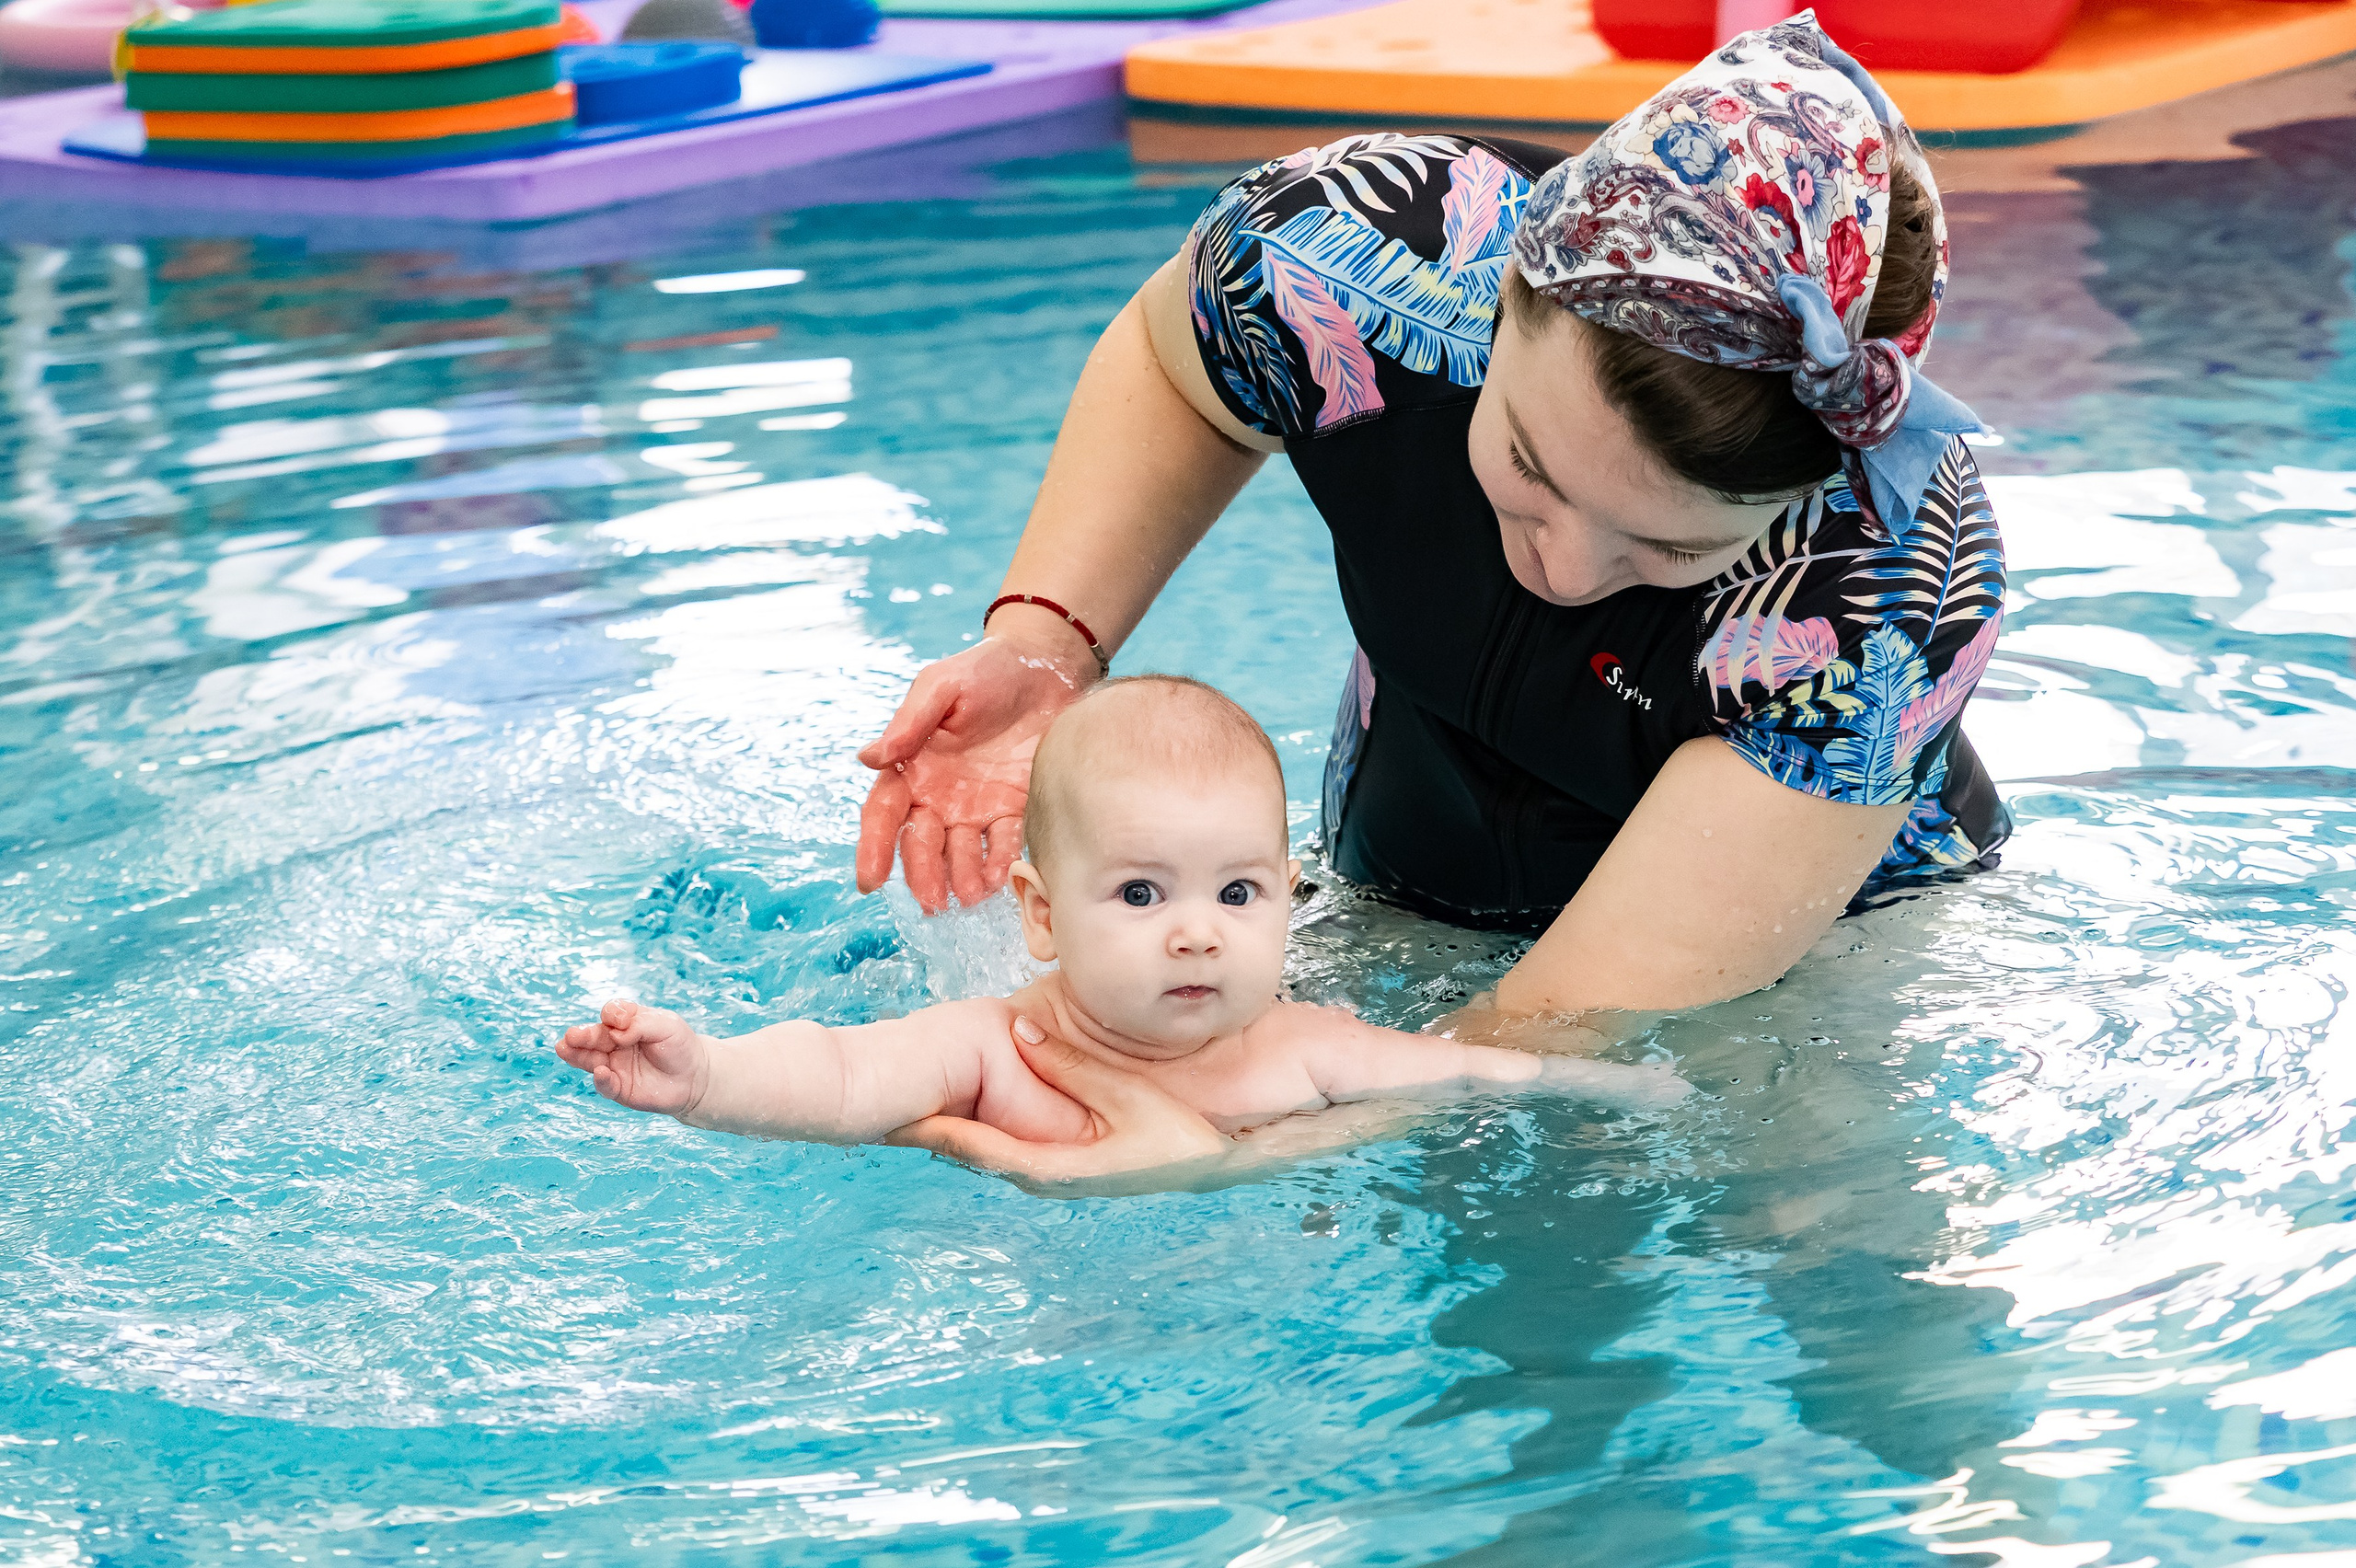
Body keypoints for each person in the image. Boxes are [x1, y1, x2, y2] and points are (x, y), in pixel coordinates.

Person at [860, 17, 2009, 1175]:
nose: (1559, 571)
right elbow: (1183, 367)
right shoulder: (1352, 256)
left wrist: (1213, 1147)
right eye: (1528, 474)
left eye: (1665, 551)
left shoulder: (1886, 596)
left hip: (1810, 952)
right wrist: (1047, 641)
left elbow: (1555, 1031)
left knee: (1798, 1228)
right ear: (1501, 298)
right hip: (1403, 855)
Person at [556, 677, 1684, 1161]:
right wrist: (705, 1077)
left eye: (1238, 894)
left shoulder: (1310, 1047)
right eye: (1141, 895)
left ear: (1290, 900)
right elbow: (844, 1079)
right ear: (1040, 915)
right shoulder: (997, 1049)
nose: (1196, 933)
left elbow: (1491, 1076)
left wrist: (1646, 1092)